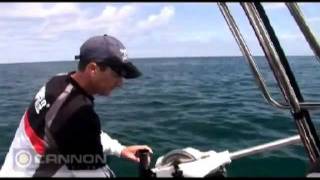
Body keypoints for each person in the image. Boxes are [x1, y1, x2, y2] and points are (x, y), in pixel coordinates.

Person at [0, 34, 153, 177]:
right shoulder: (77, 115)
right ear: (93, 69)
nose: (120, 83)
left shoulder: (58, 81)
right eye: (116, 74)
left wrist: (120, 150)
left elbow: (82, 134)